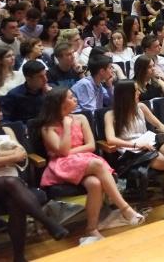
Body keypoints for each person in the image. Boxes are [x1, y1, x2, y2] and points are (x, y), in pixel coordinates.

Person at [37, 87, 144, 245]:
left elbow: (91, 145)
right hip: (62, 166)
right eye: (71, 97)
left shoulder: (81, 118)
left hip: (83, 160)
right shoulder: (48, 128)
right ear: (60, 103)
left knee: (95, 183)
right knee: (97, 163)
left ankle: (91, 228)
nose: (75, 99)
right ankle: (125, 208)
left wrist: (69, 152)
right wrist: (66, 126)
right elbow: (62, 151)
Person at [0, 98, 69, 261]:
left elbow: (22, 154)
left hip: (13, 183)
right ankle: (47, 222)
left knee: (15, 203)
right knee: (10, 182)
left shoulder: (6, 130)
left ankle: (19, 257)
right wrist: (9, 156)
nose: (1, 114)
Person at [104, 80, 164, 217]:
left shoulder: (141, 107)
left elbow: (158, 124)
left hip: (148, 142)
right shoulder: (110, 115)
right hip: (131, 151)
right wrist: (136, 145)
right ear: (126, 94)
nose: (139, 92)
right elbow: (111, 139)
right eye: (136, 90)